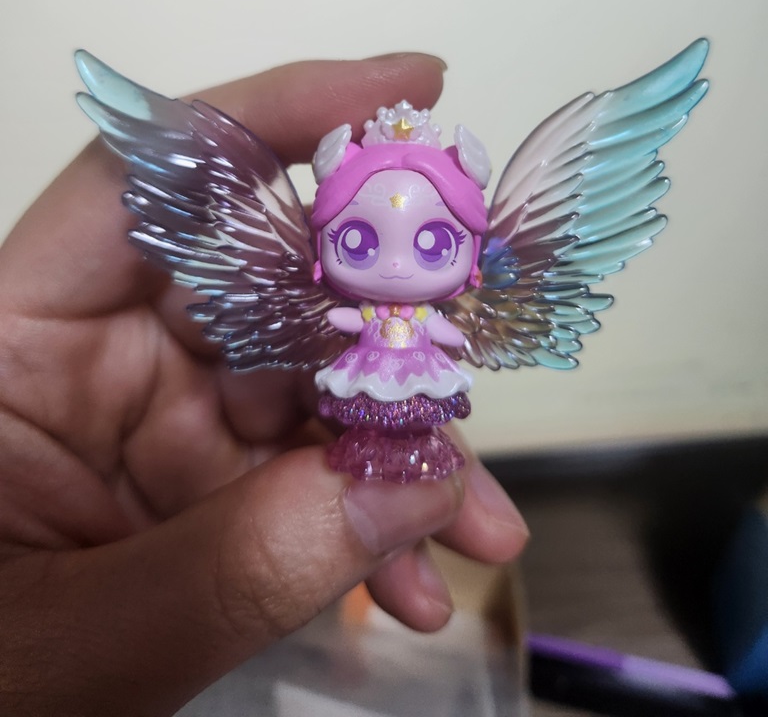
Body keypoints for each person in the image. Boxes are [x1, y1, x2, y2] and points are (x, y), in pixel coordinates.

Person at [0, 52, 528, 717]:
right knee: (369, 423)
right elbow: (339, 319)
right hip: (367, 370)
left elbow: (441, 330)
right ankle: (376, 458)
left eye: (432, 245)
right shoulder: (341, 304)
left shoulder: (435, 310)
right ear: (321, 252)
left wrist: (432, 333)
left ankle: (414, 454)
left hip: (415, 370)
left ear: (472, 255)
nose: (396, 268)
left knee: (416, 418)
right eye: (359, 242)